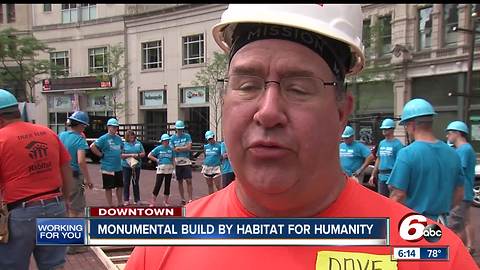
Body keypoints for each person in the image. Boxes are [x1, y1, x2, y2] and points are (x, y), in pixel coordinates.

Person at [126, 5, 477, 269]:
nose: (267, 111)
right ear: (224, 101)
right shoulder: (159, 249)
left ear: (342, 113)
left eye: (298, 88)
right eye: (247, 86)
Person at [0, 89, 73, 269]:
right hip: (56, 207)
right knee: (55, 265)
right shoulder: (47, 132)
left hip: (20, 213)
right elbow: (66, 170)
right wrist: (65, 201)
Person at [388, 99, 465, 224]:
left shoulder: (407, 153)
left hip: (415, 224)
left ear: (412, 125)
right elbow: (460, 192)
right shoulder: (452, 153)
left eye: (406, 126)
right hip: (442, 223)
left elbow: (398, 195)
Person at [59, 111, 93, 254]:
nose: (84, 129)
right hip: (73, 176)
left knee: (64, 209)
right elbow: (81, 161)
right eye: (84, 126)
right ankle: (71, 245)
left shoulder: (61, 135)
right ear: (80, 125)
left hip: (60, 176)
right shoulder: (80, 139)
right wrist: (88, 179)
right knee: (74, 210)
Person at [445, 121, 476, 254]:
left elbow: (457, 170)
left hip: (461, 193)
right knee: (465, 222)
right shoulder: (465, 148)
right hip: (466, 192)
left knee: (453, 226)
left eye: (449, 133)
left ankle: (458, 253)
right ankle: (468, 248)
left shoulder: (463, 149)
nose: (447, 136)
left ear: (457, 133)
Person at [90, 118, 124, 207]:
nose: (115, 129)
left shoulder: (119, 139)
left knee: (120, 186)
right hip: (107, 167)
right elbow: (92, 146)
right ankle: (110, 205)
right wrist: (100, 155)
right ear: (109, 127)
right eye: (113, 127)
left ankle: (120, 203)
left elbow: (121, 148)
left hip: (118, 166)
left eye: (116, 127)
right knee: (108, 187)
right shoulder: (104, 138)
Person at [368, 118, 404, 197]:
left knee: (392, 200)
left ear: (392, 129)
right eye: (383, 129)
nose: (384, 130)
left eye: (386, 129)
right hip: (381, 176)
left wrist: (397, 177)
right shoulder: (382, 143)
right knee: (382, 199)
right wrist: (373, 175)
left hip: (392, 176)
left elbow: (400, 163)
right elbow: (378, 159)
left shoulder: (398, 145)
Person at [170, 120, 193, 205]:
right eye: (178, 129)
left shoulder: (187, 136)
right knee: (180, 181)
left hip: (186, 160)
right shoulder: (172, 138)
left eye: (181, 129)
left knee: (188, 180)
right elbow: (172, 149)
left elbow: (189, 147)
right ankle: (182, 198)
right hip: (177, 161)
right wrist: (183, 147)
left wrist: (179, 148)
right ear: (176, 129)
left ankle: (190, 198)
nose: (180, 131)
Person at [148, 134, 174, 207]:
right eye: (165, 141)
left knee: (167, 184)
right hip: (161, 168)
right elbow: (149, 155)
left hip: (169, 168)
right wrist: (156, 159)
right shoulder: (158, 148)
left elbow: (173, 159)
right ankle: (153, 201)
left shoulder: (171, 148)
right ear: (162, 141)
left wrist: (174, 169)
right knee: (158, 184)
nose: (166, 142)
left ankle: (166, 201)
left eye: (167, 141)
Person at [121, 130, 145, 206]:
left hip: (136, 166)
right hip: (126, 166)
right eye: (130, 136)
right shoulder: (124, 144)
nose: (132, 137)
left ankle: (137, 199)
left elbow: (143, 153)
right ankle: (126, 199)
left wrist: (137, 155)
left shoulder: (138, 143)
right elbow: (121, 155)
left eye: (132, 135)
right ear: (127, 137)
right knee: (126, 183)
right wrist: (130, 155)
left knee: (135, 182)